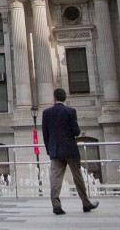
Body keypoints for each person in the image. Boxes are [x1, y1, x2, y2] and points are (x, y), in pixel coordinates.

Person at [42, 88, 98, 216]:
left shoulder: (46, 113)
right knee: (78, 177)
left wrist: (50, 150)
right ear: (64, 98)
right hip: (70, 150)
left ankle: (56, 206)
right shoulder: (70, 111)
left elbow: (45, 135)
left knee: (55, 178)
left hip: (55, 150)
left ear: (54, 98)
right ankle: (86, 203)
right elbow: (76, 132)